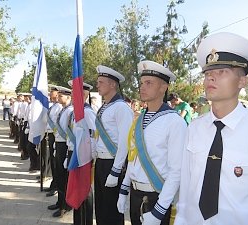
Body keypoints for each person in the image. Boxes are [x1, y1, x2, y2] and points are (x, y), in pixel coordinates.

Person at [174, 32, 248, 225]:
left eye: (222, 72)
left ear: (243, 81)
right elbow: (185, 195)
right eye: (208, 73)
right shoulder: (194, 128)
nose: (211, 78)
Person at [117, 60, 187, 225]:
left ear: (163, 87)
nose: (142, 87)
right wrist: (124, 190)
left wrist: (159, 210)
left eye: (149, 83)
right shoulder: (139, 118)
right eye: (141, 83)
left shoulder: (174, 122)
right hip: (135, 194)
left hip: (156, 196)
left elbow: (176, 171)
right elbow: (133, 157)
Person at [94, 65, 133, 225]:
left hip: (112, 163)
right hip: (101, 162)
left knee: (112, 211)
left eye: (101, 82)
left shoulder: (121, 108)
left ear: (112, 85)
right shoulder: (105, 107)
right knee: (101, 207)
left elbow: (125, 142)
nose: (97, 85)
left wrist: (116, 171)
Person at [66, 80, 96, 225]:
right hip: (74, 155)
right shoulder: (75, 112)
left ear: (83, 95)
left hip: (83, 158)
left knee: (84, 193)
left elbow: (92, 137)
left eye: (74, 92)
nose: (71, 95)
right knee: (76, 193)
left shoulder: (88, 113)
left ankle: (86, 222)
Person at [47, 86, 73, 218]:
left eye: (61, 96)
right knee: (58, 175)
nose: (58, 97)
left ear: (68, 97)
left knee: (64, 177)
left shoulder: (70, 111)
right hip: (59, 144)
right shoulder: (63, 110)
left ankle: (65, 206)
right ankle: (59, 202)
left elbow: (70, 132)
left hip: (65, 146)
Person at [44, 85, 63, 197]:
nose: (50, 95)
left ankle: (56, 186)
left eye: (52, 93)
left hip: (57, 136)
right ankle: (53, 183)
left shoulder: (60, 107)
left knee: (56, 163)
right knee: (52, 160)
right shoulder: (54, 106)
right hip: (51, 135)